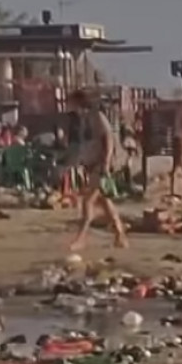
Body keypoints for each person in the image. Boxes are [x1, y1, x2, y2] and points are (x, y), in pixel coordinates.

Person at [67, 90, 128, 252]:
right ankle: (120, 236)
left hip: (100, 164)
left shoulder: (96, 116)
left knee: (88, 202)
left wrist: (106, 163)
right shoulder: (82, 119)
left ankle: (81, 239)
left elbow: (107, 138)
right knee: (104, 202)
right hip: (91, 164)